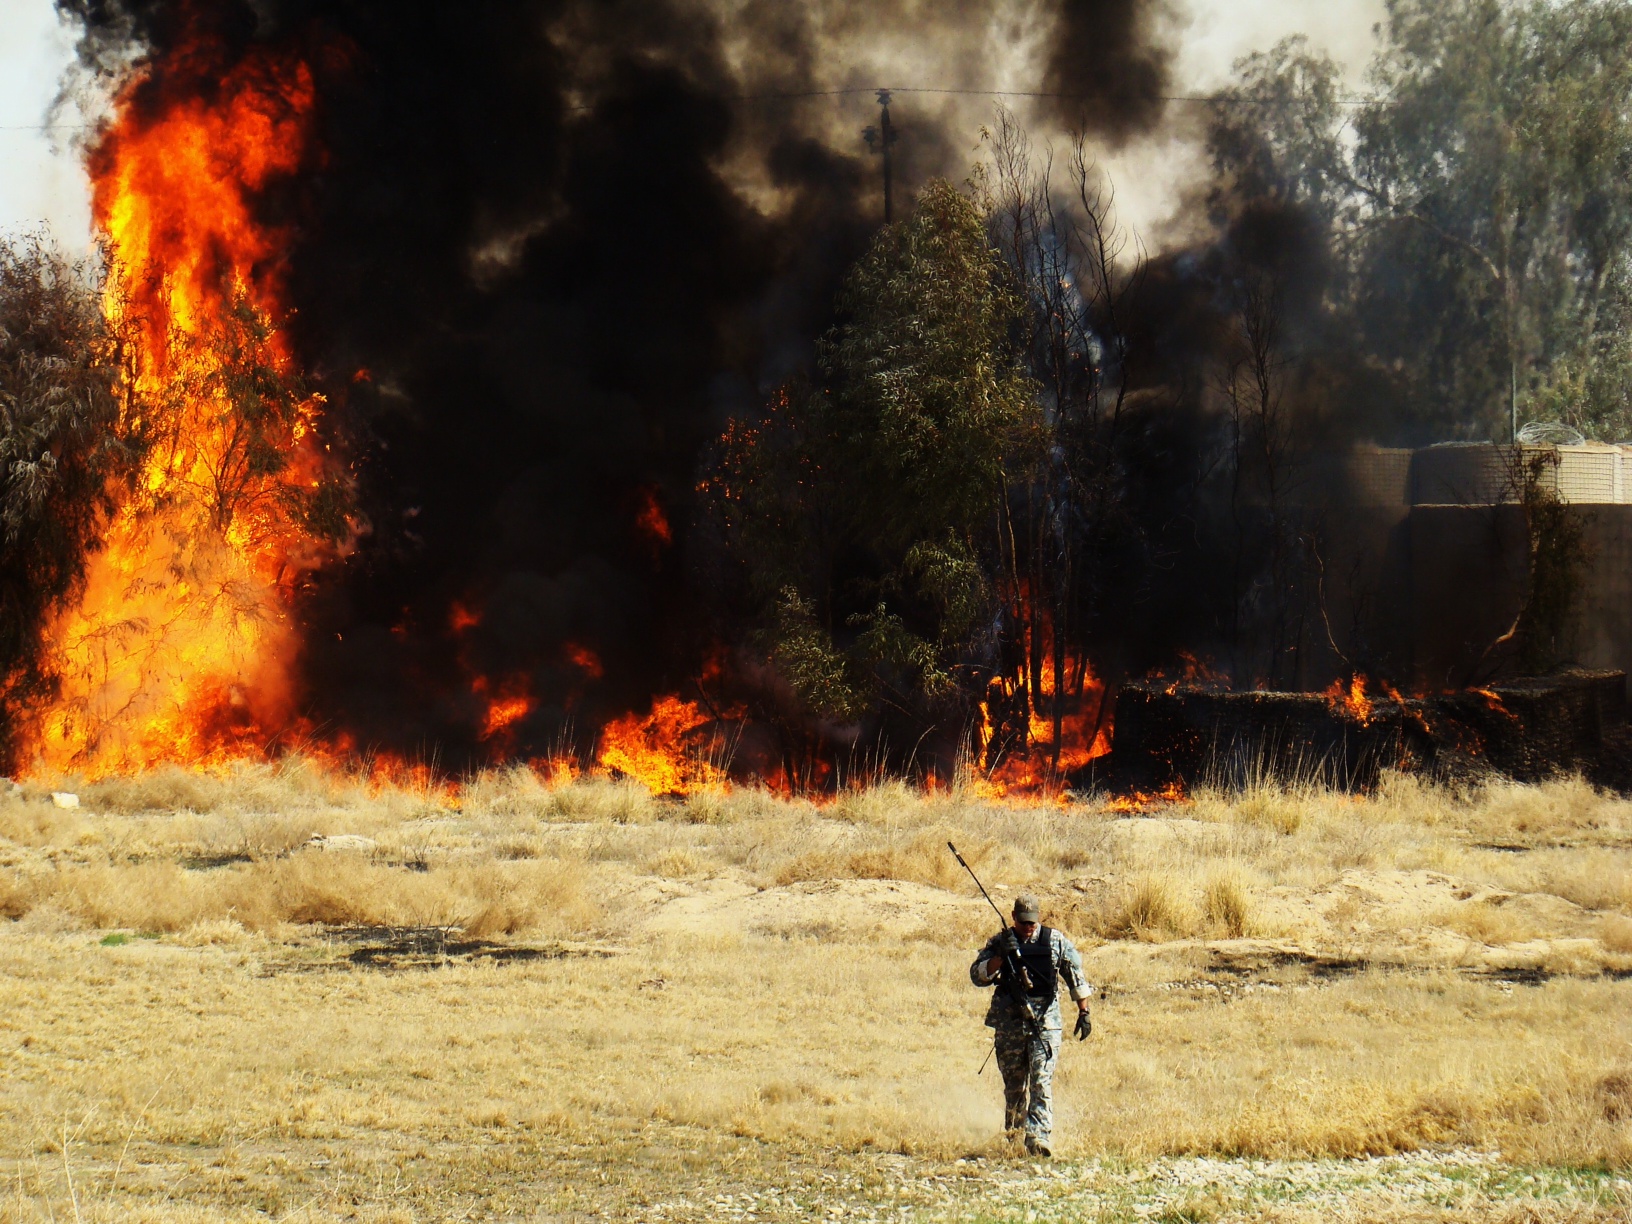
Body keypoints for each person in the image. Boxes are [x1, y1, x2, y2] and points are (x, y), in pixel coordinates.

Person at [969, 893, 1091, 1157]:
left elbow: (1075, 975)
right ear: (1014, 918)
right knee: (1014, 1086)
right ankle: (1013, 1137)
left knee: (1041, 1080)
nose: (1028, 927)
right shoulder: (1000, 942)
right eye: (1023, 922)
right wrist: (1000, 957)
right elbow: (977, 976)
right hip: (1010, 1025)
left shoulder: (1054, 941)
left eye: (1032, 922)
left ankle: (1038, 1139)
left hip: (1045, 1024)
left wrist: (1084, 1011)